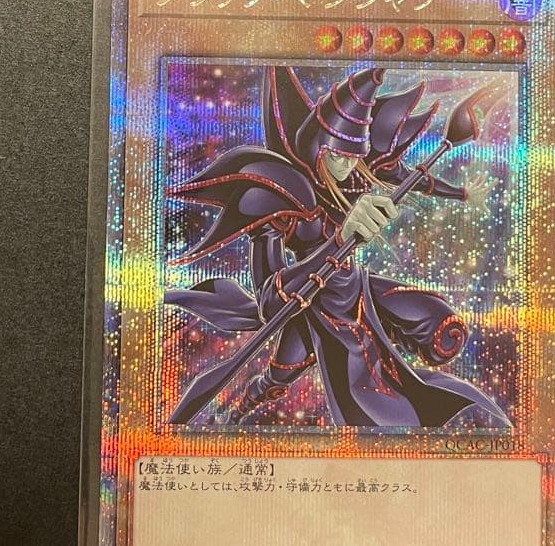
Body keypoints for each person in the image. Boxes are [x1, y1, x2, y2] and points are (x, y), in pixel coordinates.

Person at [166, 66, 506, 428]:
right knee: (282, 376)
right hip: (313, 305)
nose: (347, 165)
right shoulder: (281, 196)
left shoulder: (356, 171)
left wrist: (461, 193)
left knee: (440, 326)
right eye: (338, 155)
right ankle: (237, 412)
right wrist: (339, 241)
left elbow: (408, 177)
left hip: (355, 287)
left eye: (353, 155)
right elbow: (269, 301)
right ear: (318, 147)